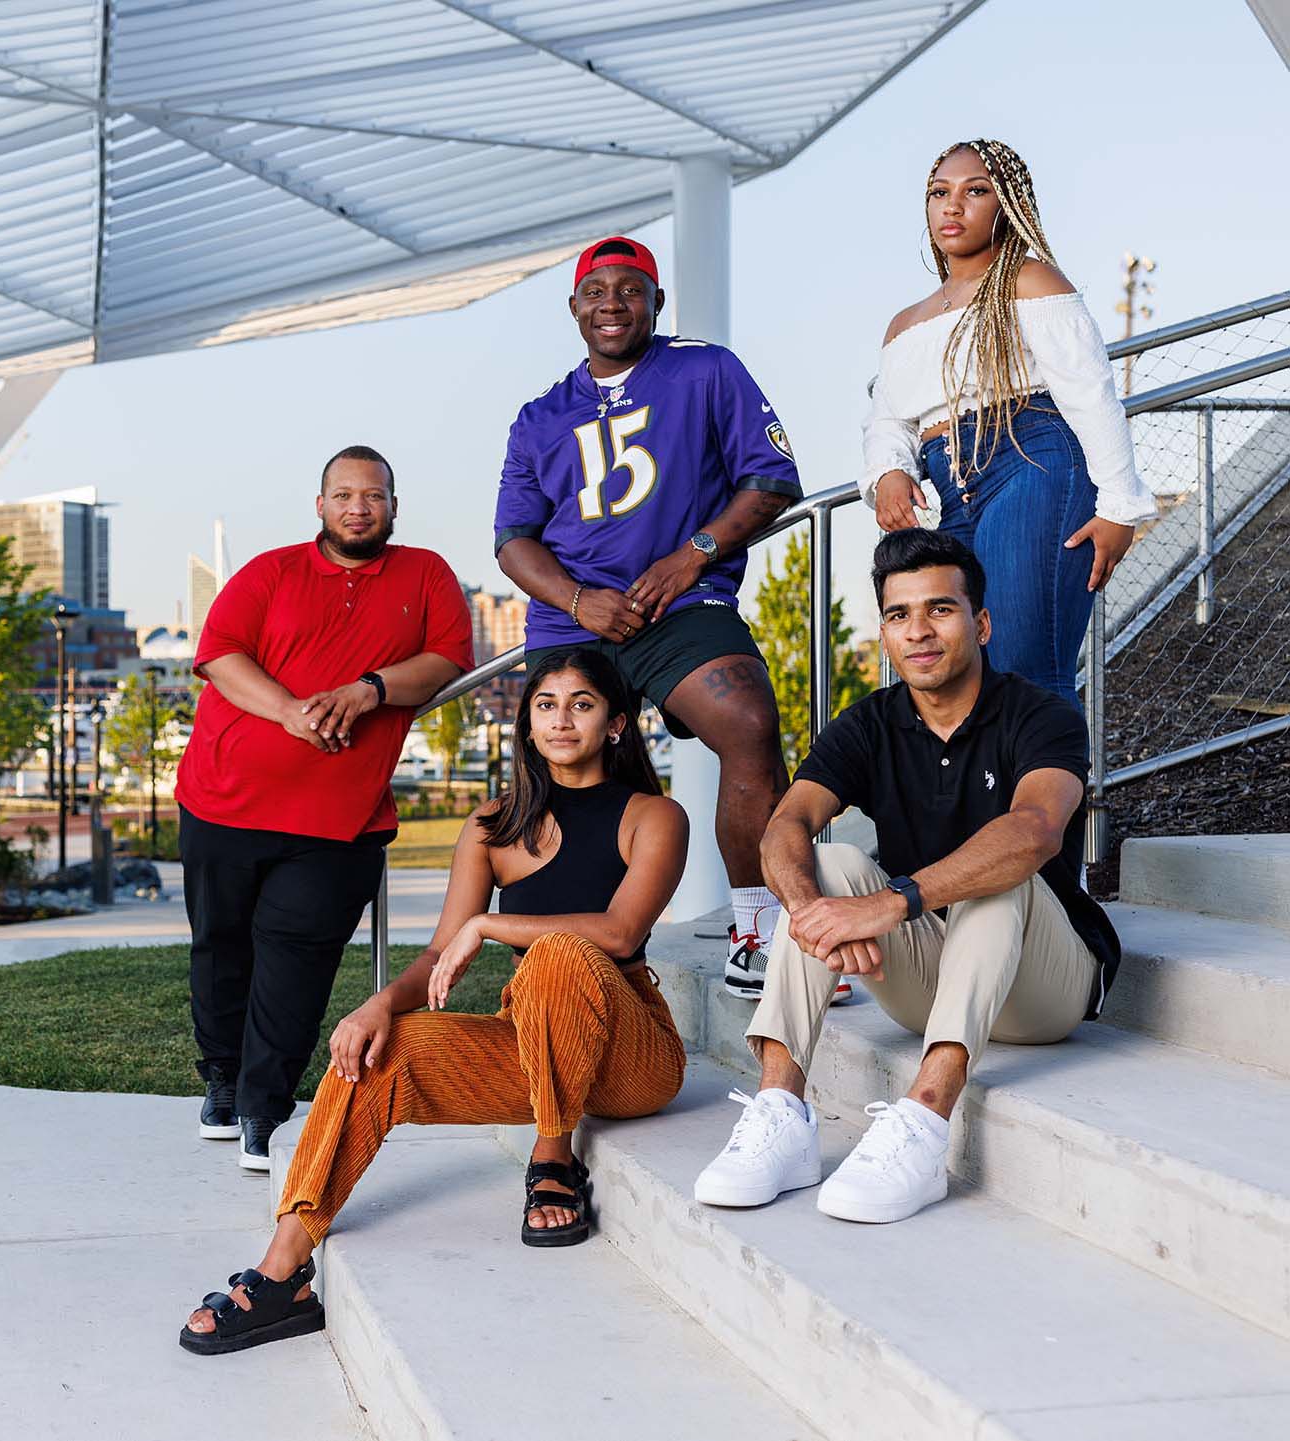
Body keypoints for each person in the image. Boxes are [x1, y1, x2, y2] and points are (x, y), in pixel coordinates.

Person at [179, 651, 689, 1354]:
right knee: (386, 1047)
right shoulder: (492, 826)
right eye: (545, 703)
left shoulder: (653, 815)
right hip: (534, 1040)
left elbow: (619, 930)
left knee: (560, 952)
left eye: (581, 703)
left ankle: (552, 1157)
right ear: (526, 722)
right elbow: (435, 953)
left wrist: (489, 925)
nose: (561, 718)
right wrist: (378, 1005)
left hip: (632, 1053)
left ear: (615, 724)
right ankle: (282, 1270)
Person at [694, 528, 1120, 1224]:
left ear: (979, 622)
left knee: (998, 867)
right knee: (824, 864)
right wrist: (811, 909)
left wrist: (893, 903)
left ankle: (923, 1123)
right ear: (885, 632)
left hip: (1039, 988)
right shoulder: (868, 723)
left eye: (939, 609)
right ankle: (780, 1113)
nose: (917, 631)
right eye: (898, 615)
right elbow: (783, 826)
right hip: (929, 983)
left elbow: (1034, 830)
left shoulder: (1039, 715)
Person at [495, 234, 850, 1003]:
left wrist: (691, 555)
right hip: (573, 620)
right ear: (573, 308)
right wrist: (577, 599)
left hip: (679, 603)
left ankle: (759, 929)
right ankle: (560, 970)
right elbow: (512, 541)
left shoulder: (704, 368)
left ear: (656, 302)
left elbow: (771, 477)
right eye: (596, 292)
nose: (612, 304)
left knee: (750, 723)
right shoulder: (538, 416)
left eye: (630, 290)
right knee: (567, 777)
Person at [175, 444, 474, 1169]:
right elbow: (219, 655)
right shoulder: (269, 570)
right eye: (343, 495)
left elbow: (446, 659)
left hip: (338, 823)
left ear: (393, 506)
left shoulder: (425, 573)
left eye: (372, 495)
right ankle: (220, 1075)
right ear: (320, 504)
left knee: (296, 962)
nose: (358, 507)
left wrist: (368, 688)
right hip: (221, 798)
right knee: (222, 945)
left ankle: (260, 1109)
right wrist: (287, 712)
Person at [862, 138, 1156, 706]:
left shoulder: (1032, 282)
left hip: (1031, 461)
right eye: (939, 193)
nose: (953, 206)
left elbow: (1092, 397)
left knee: (1024, 666)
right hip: (950, 491)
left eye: (976, 191)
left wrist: (1120, 508)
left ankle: (1053, 800)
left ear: (1008, 204)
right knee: (957, 676)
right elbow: (888, 422)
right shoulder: (905, 324)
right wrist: (888, 475)